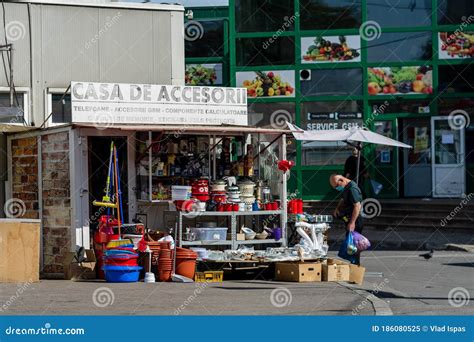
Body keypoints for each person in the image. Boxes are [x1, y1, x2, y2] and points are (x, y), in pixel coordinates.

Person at [329, 174, 363, 265]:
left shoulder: (352, 189)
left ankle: (356, 266)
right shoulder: (346, 187)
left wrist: (352, 223)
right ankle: (353, 264)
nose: (336, 188)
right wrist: (337, 208)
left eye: (336, 186)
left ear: (342, 180)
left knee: (354, 245)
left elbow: (357, 206)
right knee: (350, 245)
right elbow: (343, 198)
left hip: (355, 220)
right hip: (349, 218)